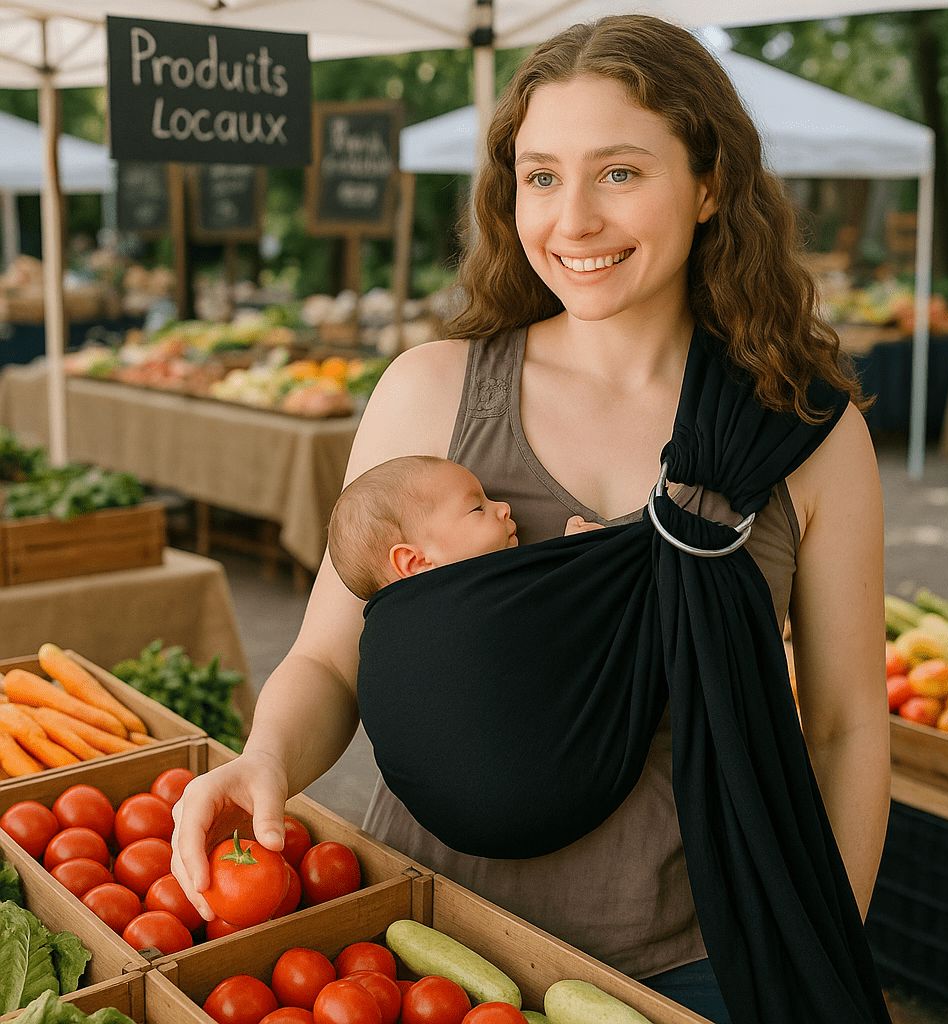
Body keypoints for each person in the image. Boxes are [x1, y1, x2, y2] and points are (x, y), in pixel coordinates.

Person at [172, 15, 888, 1024]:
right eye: (542, 177)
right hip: (419, 948)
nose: (574, 220)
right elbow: (330, 661)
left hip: (692, 963)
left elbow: (847, 727)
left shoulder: (804, 431)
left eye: (620, 173)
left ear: (710, 183)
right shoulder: (431, 392)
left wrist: (819, 949)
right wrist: (265, 759)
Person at [327, 455, 602, 600]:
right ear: (415, 561)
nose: (504, 507)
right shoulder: (457, 612)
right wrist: (576, 558)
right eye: (478, 508)